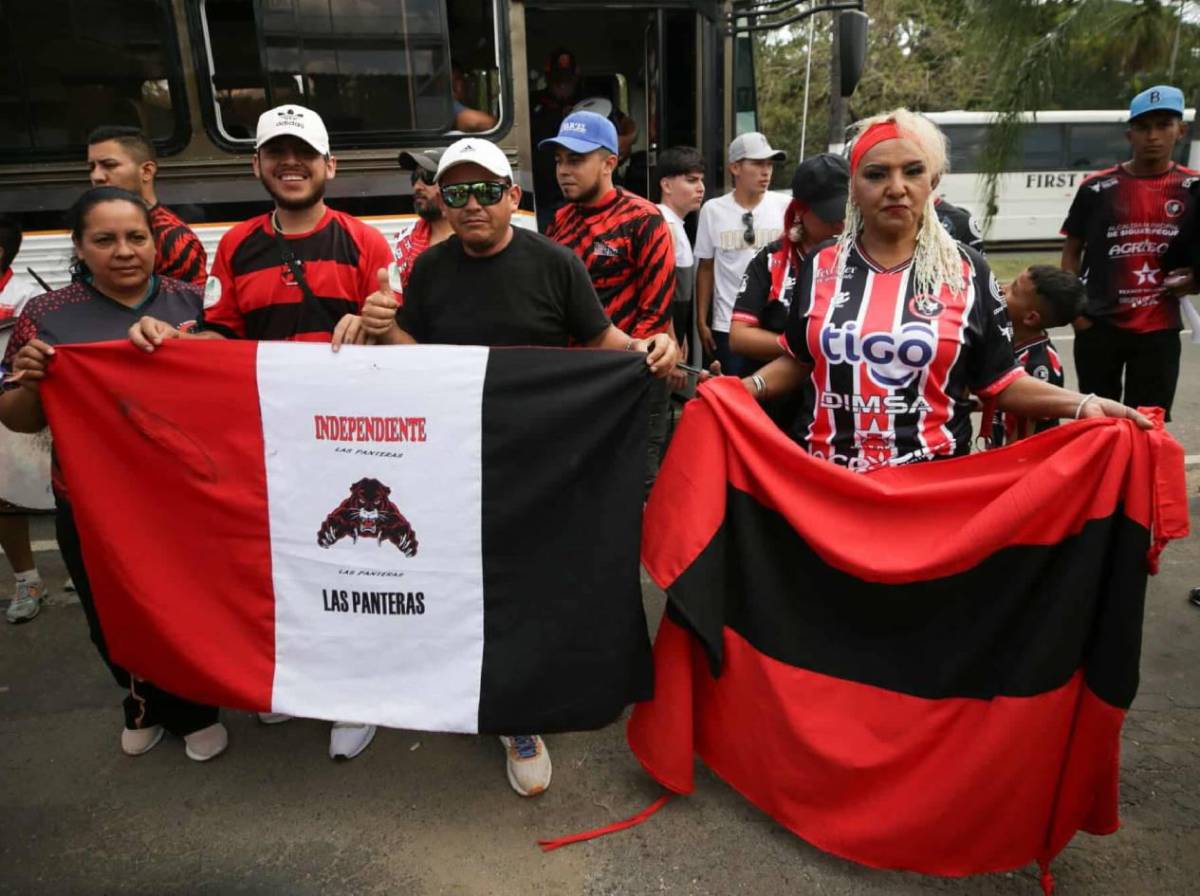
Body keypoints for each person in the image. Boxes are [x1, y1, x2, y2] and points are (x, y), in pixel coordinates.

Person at [330, 137, 679, 796]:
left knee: (531, 585)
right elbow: (414, 354)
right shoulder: (429, 271)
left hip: (540, 461)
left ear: (512, 197)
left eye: (485, 190)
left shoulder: (555, 263)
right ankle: (463, 691)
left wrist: (650, 347)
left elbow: (602, 341)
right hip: (450, 460)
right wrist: (381, 329)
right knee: (460, 580)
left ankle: (520, 716)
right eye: (455, 193)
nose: (471, 205)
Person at [129, 105, 390, 760]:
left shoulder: (367, 242)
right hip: (271, 442)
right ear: (257, 165)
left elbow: (398, 343)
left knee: (351, 565)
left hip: (347, 439)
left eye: (303, 153)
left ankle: (355, 696)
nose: (290, 164)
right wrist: (178, 340)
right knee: (286, 567)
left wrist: (374, 325)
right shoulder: (237, 243)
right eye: (277, 152)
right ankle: (301, 683)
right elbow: (222, 331)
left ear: (330, 165)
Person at [742, 109, 1147, 472]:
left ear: (932, 181)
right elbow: (799, 359)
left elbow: (999, 381)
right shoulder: (822, 262)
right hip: (825, 480)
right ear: (854, 188)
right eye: (876, 173)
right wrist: (743, 391)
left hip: (934, 489)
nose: (896, 187)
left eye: (913, 171)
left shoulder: (967, 269)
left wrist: (1081, 404)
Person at [0, 187, 228, 760]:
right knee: (110, 614)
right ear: (79, 246)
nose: (123, 251)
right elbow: (20, 419)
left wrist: (194, 345)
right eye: (105, 239)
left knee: (182, 608)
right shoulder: (45, 315)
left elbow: (225, 390)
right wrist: (32, 380)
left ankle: (193, 708)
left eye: (136, 237)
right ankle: (139, 703)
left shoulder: (192, 303)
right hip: (89, 500)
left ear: (156, 242)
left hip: (180, 496)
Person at [542, 112, 677, 495]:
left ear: (609, 163)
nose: (564, 171)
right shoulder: (558, 222)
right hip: (576, 379)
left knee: (636, 487)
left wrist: (629, 367)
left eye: (576, 159)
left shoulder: (644, 219)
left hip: (634, 376)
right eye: (559, 161)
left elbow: (654, 314)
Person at [1061, 85, 1199, 420]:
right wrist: (1075, 314)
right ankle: (1103, 475)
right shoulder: (1096, 187)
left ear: (1180, 131)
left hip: (1159, 328)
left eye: (1163, 125)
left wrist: (1195, 280)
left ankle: (1142, 476)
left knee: (1148, 424)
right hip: (1098, 326)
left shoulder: (1195, 188)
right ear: (1129, 135)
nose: (1153, 136)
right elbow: (1071, 250)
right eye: (1143, 127)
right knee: (1097, 424)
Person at [730, 153, 848, 366]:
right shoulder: (770, 259)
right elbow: (739, 336)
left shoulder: (865, 256)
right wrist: (804, 345)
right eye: (830, 215)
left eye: (847, 212)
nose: (840, 224)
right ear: (800, 212)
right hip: (777, 390)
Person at [694, 132, 790, 377]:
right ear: (735, 167)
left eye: (769, 164)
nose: (766, 171)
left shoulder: (786, 206)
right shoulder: (712, 210)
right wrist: (701, 320)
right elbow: (706, 267)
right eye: (758, 163)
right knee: (733, 397)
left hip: (774, 325)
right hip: (727, 326)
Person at [0, 217, 49, 623]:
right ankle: (27, 580)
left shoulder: (28, 298)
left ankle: (86, 565)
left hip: (25, 411)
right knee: (2, 499)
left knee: (62, 495)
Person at [530, 48, 637, 231]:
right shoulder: (533, 102)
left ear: (576, 75)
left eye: (567, 75)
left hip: (593, 196)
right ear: (547, 76)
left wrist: (625, 140)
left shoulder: (593, 101)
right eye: (557, 76)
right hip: (545, 195)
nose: (563, 81)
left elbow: (627, 123)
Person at [86, 126, 208, 286]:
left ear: (146, 171)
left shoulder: (174, 240)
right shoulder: (91, 226)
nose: (96, 176)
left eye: (109, 165)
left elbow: (193, 305)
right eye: (92, 167)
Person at [988, 266, 1084, 445]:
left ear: (1031, 318)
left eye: (1013, 290)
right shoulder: (1007, 343)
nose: (1002, 288)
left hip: (1019, 462)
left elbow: (1026, 432)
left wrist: (1001, 463)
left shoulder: (1038, 365)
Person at [655, 146, 706, 360]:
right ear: (666, 185)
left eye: (701, 180)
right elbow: (658, 295)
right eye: (691, 180)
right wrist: (672, 344)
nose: (701, 188)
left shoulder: (676, 224)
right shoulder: (665, 225)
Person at [394, 150, 452, 293]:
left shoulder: (474, 239)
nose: (417, 187)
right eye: (414, 178)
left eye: (428, 177)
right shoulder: (406, 241)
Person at [451, 61, 497, 133]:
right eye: (459, 78)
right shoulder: (447, 104)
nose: (466, 83)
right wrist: (497, 121)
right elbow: (478, 122)